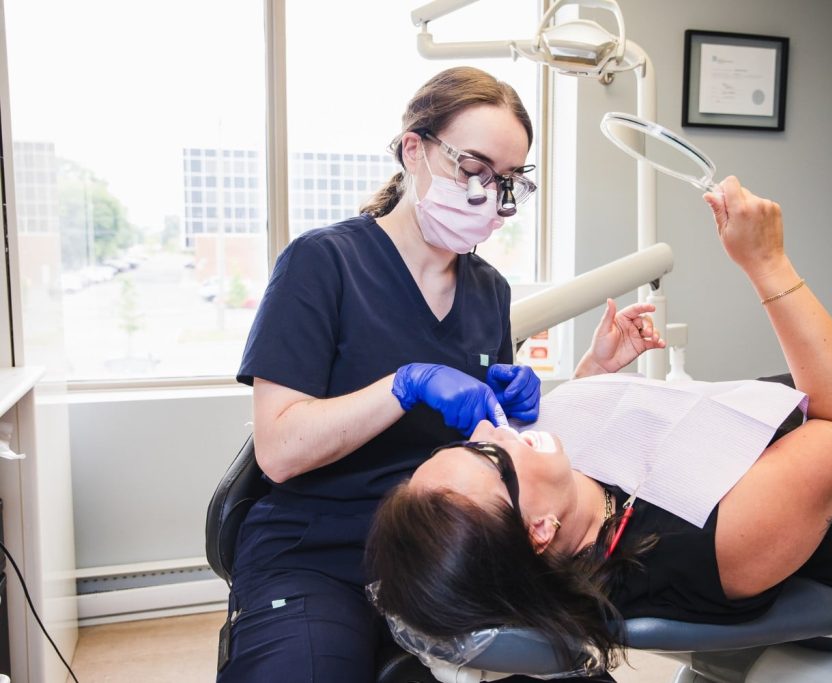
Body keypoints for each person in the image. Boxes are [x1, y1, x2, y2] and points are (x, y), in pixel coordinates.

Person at [365, 176, 832, 675]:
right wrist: (768, 265)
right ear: (538, 530)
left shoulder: (569, 515)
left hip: (777, 424)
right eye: (494, 458)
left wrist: (601, 368)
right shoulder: (717, 547)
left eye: (476, 440)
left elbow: (583, 454)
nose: (500, 429)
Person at [219, 66, 664, 682]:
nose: (489, 194)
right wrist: (405, 385)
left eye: (507, 181)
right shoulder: (323, 264)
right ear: (414, 148)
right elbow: (278, 450)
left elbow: (509, 451)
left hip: (458, 556)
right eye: (472, 167)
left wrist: (588, 376)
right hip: (319, 551)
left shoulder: (488, 291)